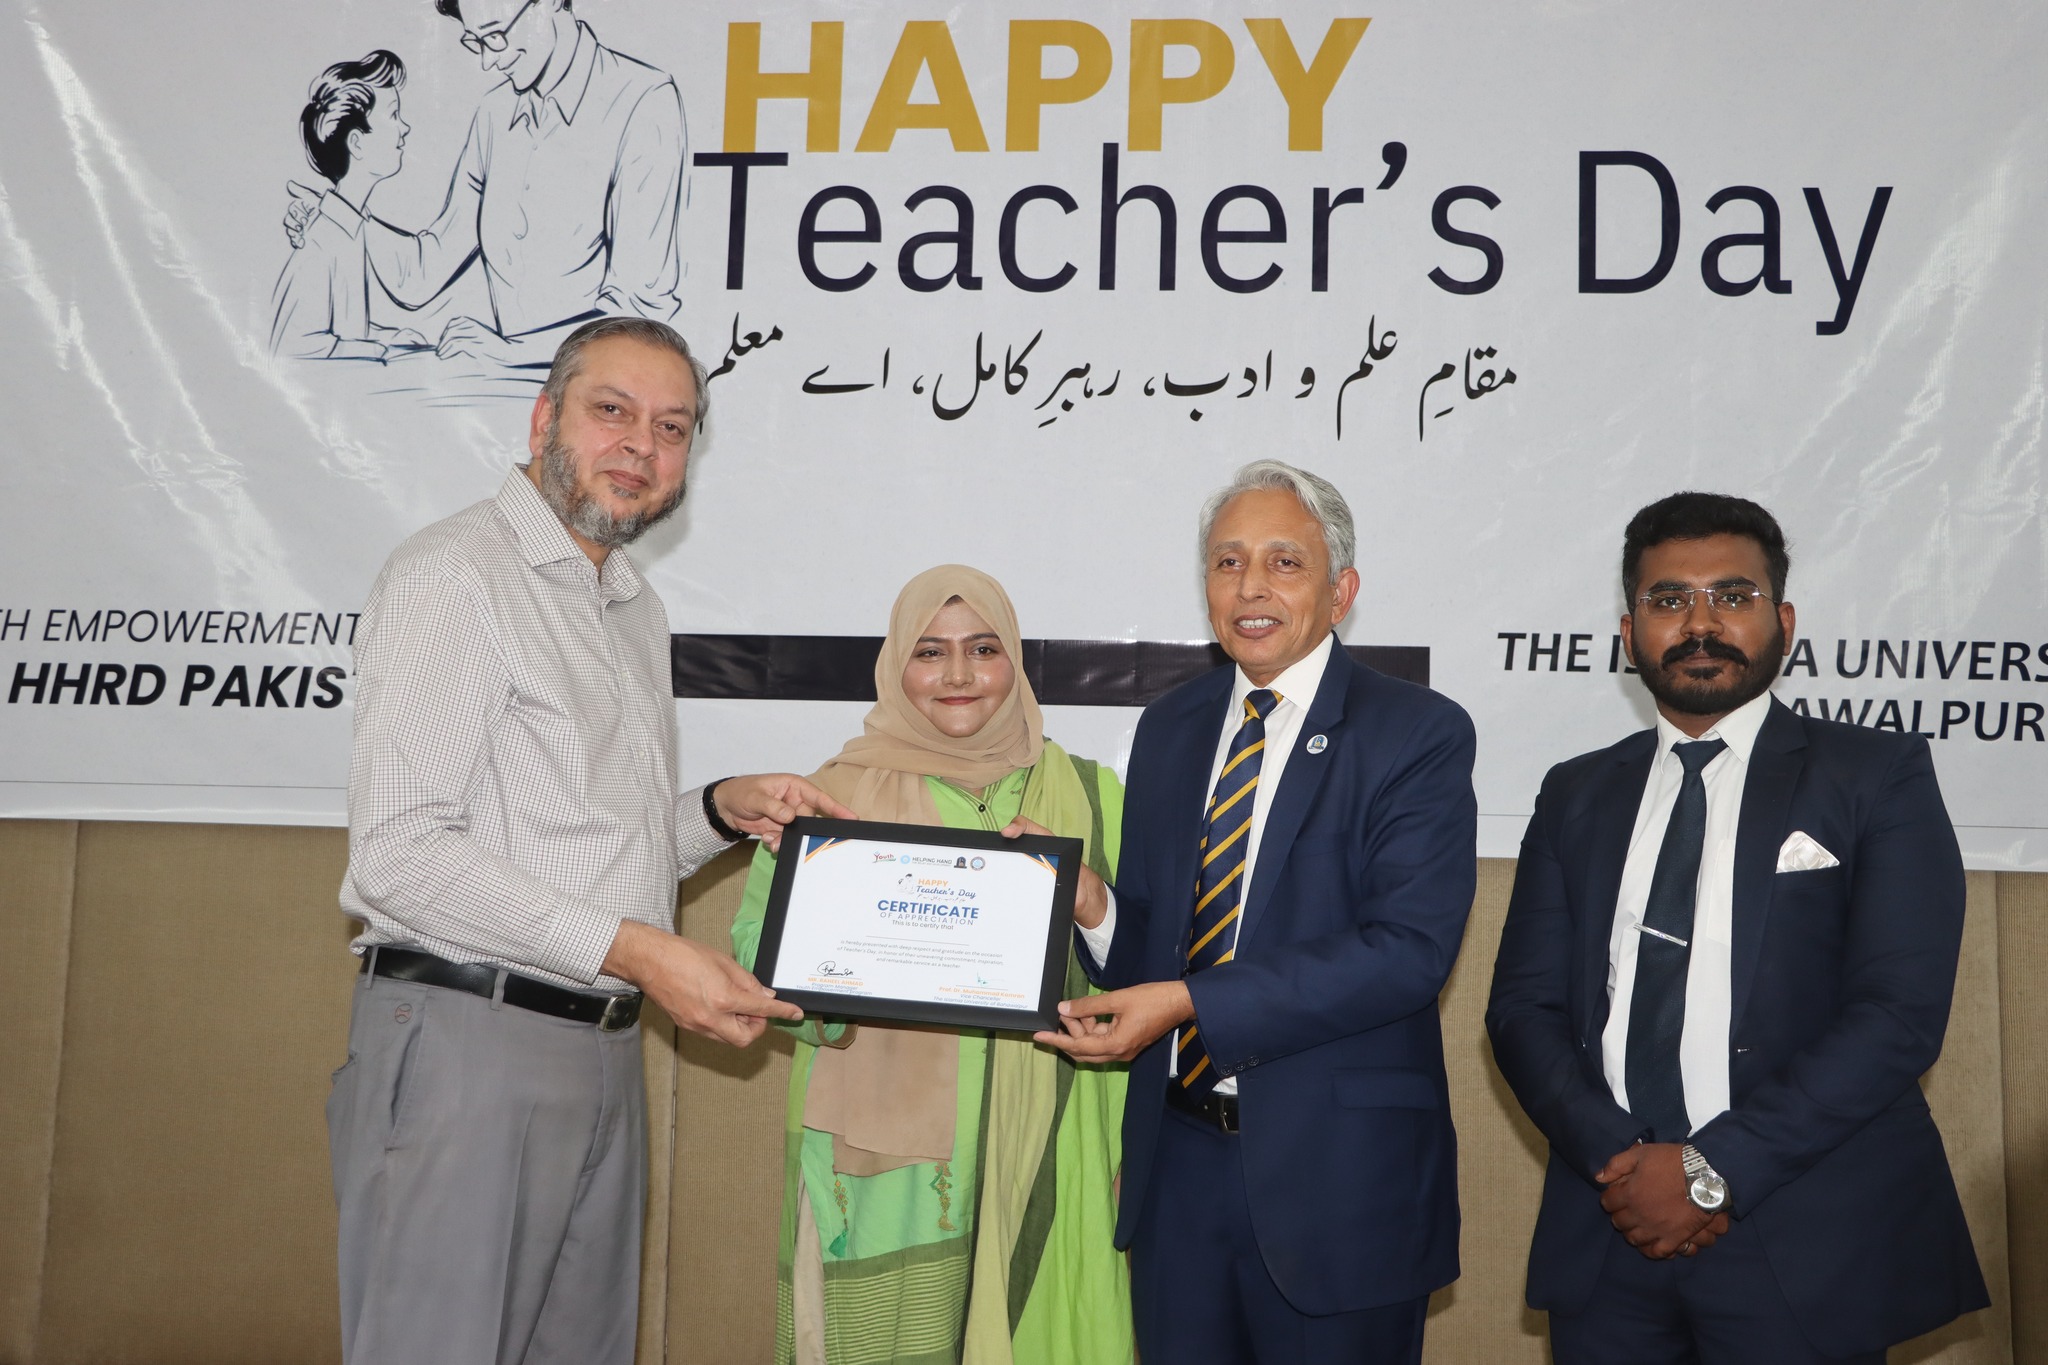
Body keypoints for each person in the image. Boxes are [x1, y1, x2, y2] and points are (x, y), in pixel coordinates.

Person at [329, 315, 851, 1365]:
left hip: (602, 1049)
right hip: (470, 1044)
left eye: (672, 427)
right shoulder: (457, 575)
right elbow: (400, 853)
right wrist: (642, 952)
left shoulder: (630, 607)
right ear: (542, 420)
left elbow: (591, 845)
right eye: (612, 411)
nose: (640, 446)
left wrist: (717, 810)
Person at [1484, 492, 1989, 1363]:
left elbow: (1898, 1014)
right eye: (1669, 599)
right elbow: (1521, 1008)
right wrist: (1625, 1160)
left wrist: (1709, 1170)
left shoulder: (1876, 773)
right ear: (1629, 633)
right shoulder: (1576, 792)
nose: (1701, 624)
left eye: (1733, 595)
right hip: (1611, 1229)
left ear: (1783, 621)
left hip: (1803, 1233)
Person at [1038, 460, 1478, 1364]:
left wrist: (1190, 1002)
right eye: (1227, 561)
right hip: (1180, 1171)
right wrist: (1093, 906)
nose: (1250, 587)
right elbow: (1158, 945)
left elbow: (1406, 952)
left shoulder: (1417, 732)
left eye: (1285, 561)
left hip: (1340, 1182)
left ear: (1340, 591)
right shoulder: (1170, 727)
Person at [730, 565, 1133, 1365]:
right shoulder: (830, 797)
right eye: (929, 651)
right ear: (895, 664)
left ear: (1014, 659)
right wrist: (827, 954)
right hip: (891, 1170)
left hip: (1057, 1138)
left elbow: (1148, 962)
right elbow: (753, 959)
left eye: (983, 648)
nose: (957, 675)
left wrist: (1090, 902)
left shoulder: (1091, 793)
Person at [286, 0, 687, 365]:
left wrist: (510, 352)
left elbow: (638, 316)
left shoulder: (644, 100)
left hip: (602, 395)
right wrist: (336, 215)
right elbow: (423, 273)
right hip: (507, 392)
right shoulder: (495, 113)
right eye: (474, 42)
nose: (487, 61)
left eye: (495, 36)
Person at [270, 51, 430, 360]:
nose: (405, 128)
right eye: (393, 116)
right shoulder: (323, 238)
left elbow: (343, 329)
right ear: (356, 143)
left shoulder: (351, 228)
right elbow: (294, 347)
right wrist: (379, 349)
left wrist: (389, 336)